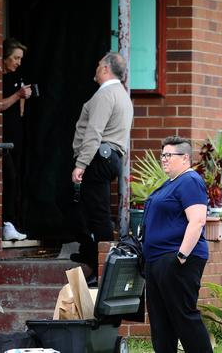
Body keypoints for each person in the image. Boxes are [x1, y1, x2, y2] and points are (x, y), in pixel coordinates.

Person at [142, 136, 213, 353]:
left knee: (184, 318)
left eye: (168, 155)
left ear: (185, 158)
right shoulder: (170, 183)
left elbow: (198, 220)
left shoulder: (190, 180)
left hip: (177, 259)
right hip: (157, 261)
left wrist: (180, 257)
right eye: (162, 154)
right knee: (161, 321)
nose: (163, 159)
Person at [70, 52, 133, 281]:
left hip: (97, 158)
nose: (96, 68)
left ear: (106, 69)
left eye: (98, 65)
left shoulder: (106, 94)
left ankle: (102, 270)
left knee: (98, 215)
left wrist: (81, 164)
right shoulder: (123, 95)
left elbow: (94, 132)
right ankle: (91, 258)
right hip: (110, 157)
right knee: (93, 212)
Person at [0, 38, 32, 241]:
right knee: (8, 178)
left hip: (16, 136)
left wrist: (22, 98)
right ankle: (6, 223)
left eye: (21, 58)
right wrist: (17, 95)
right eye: (15, 58)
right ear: (4, 57)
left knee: (17, 179)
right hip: (0, 139)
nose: (18, 62)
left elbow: (20, 110)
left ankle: (14, 222)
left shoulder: (17, 76)